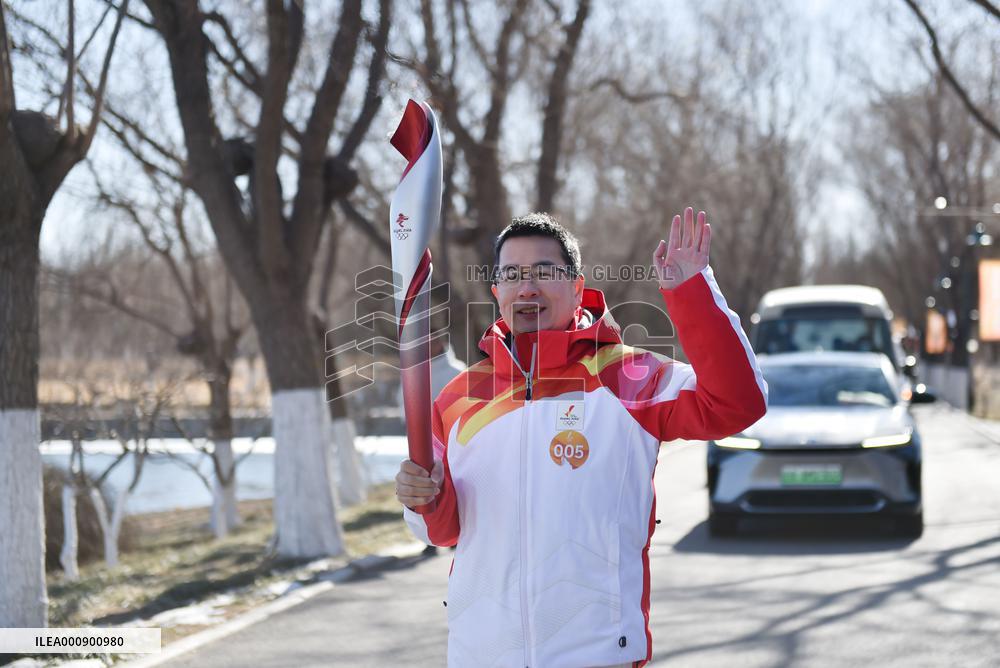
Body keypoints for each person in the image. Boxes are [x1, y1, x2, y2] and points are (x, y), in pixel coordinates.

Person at [394, 209, 767, 667]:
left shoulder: (625, 377)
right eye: (511, 275)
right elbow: (442, 529)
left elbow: (737, 403)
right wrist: (421, 498)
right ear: (497, 292)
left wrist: (691, 292)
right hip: (481, 655)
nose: (527, 286)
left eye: (544, 272)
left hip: (595, 654)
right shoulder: (458, 399)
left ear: (576, 287)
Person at [396, 334, 467, 555]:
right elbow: (404, 402)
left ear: (441, 342)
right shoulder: (413, 373)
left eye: (432, 341)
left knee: (451, 487)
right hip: (422, 441)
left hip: (452, 442)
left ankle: (456, 535)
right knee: (423, 485)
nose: (427, 346)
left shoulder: (457, 373)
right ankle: (429, 541)